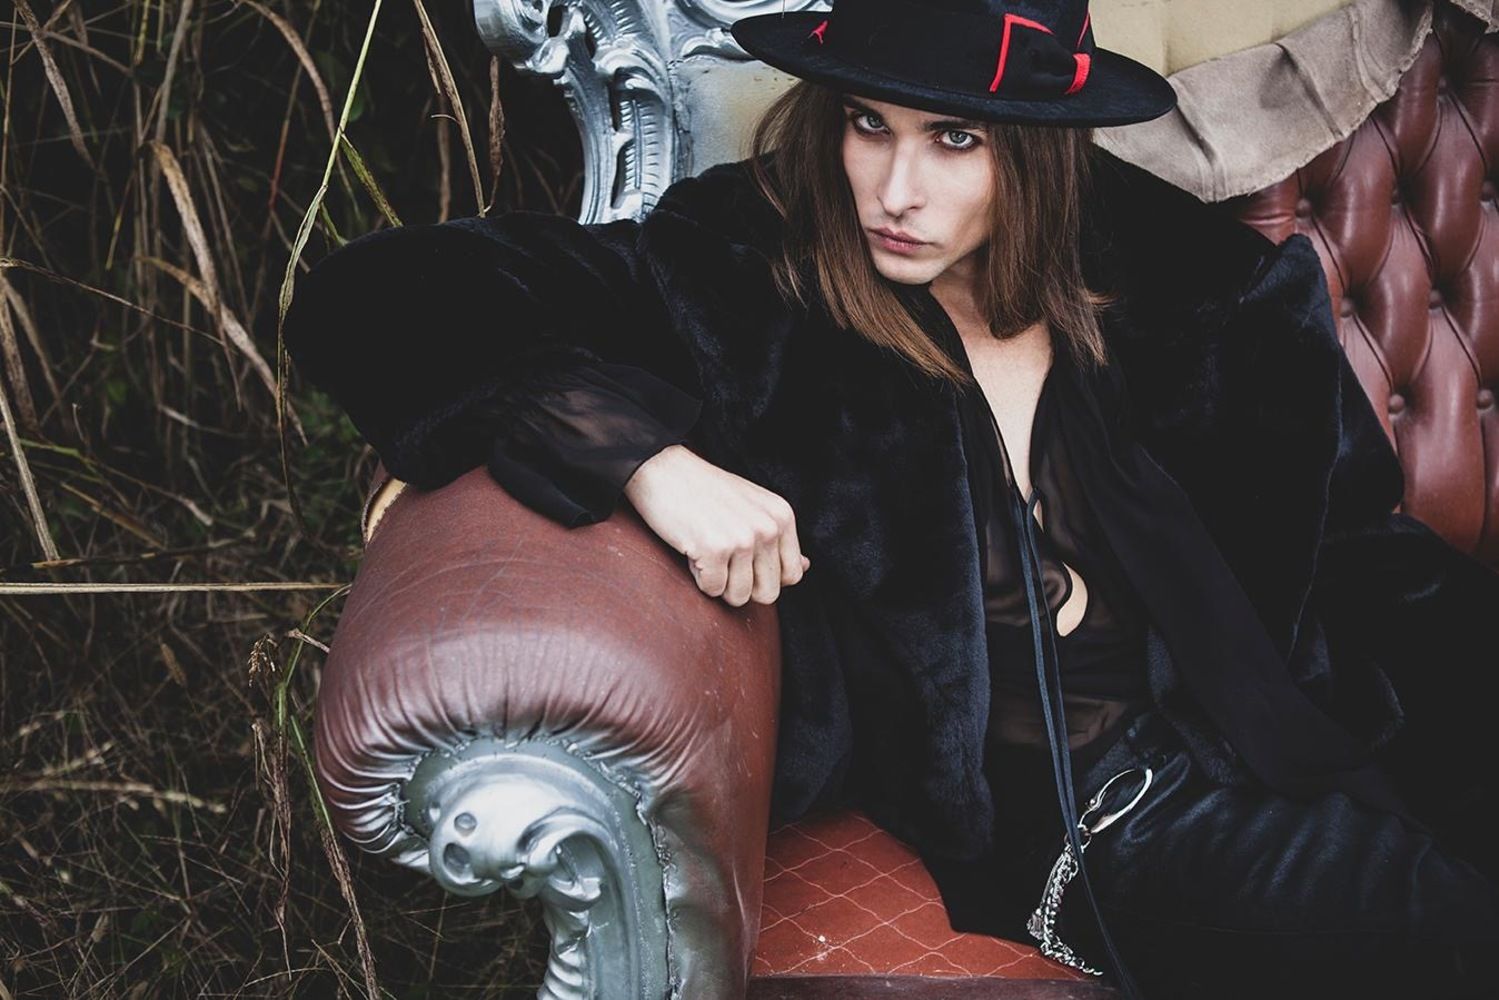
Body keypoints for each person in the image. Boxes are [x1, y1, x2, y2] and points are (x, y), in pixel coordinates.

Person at [283, 1, 1499, 996]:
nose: (893, 190)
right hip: (1107, 827)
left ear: (1035, 144)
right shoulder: (745, 276)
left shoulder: (1186, 282)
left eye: (952, 139)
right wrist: (647, 460)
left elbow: (1358, 553)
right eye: (868, 124)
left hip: (1304, 738)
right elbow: (378, 297)